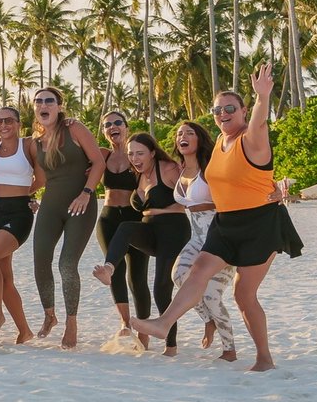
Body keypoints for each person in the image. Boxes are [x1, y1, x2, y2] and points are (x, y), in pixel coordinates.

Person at [131, 66, 302, 371]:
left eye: (230, 108)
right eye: (217, 109)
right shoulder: (219, 147)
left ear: (243, 111)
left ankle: (264, 358)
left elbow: (260, 122)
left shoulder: (251, 139)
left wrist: (263, 96)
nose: (223, 114)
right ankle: (164, 323)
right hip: (225, 224)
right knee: (197, 270)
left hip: (259, 223)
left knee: (244, 295)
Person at [92, 133, 189, 354]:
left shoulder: (168, 168)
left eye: (140, 153)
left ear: (152, 152)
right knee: (125, 228)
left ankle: (171, 346)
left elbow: (193, 186)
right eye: (131, 154)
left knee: (161, 289)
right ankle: (109, 268)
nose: (135, 158)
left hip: (172, 228)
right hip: (149, 227)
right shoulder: (137, 175)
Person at [28, 86, 106, 348]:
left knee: (67, 265)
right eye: (38, 102)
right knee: (40, 260)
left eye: (49, 101)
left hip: (80, 205)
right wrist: (23, 195)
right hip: (51, 205)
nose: (43, 105)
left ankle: (71, 322)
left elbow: (98, 162)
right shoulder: (35, 142)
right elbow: (39, 179)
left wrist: (86, 193)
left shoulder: (75, 128)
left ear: (59, 106)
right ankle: (50, 315)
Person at [168, 121, 238, 361]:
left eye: (189, 133)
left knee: (211, 295)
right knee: (178, 276)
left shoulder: (210, 167)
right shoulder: (178, 169)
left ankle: (229, 349)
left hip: (220, 236)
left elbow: (234, 190)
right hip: (197, 236)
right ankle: (208, 320)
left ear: (199, 139)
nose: (183, 137)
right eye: (179, 134)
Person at [0, 106, 40, 343]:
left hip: (19, 212)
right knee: (5, 278)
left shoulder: (29, 145)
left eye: (9, 120)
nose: (3, 125)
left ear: (18, 123)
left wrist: (27, 195)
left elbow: (42, 178)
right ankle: (24, 330)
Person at [95, 109, 151, 339]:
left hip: (134, 217)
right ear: (104, 131)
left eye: (118, 122)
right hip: (107, 218)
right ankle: (125, 323)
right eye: (108, 125)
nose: (113, 127)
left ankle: (144, 328)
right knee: (114, 270)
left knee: (138, 276)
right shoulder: (102, 155)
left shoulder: (136, 155)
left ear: (127, 127)